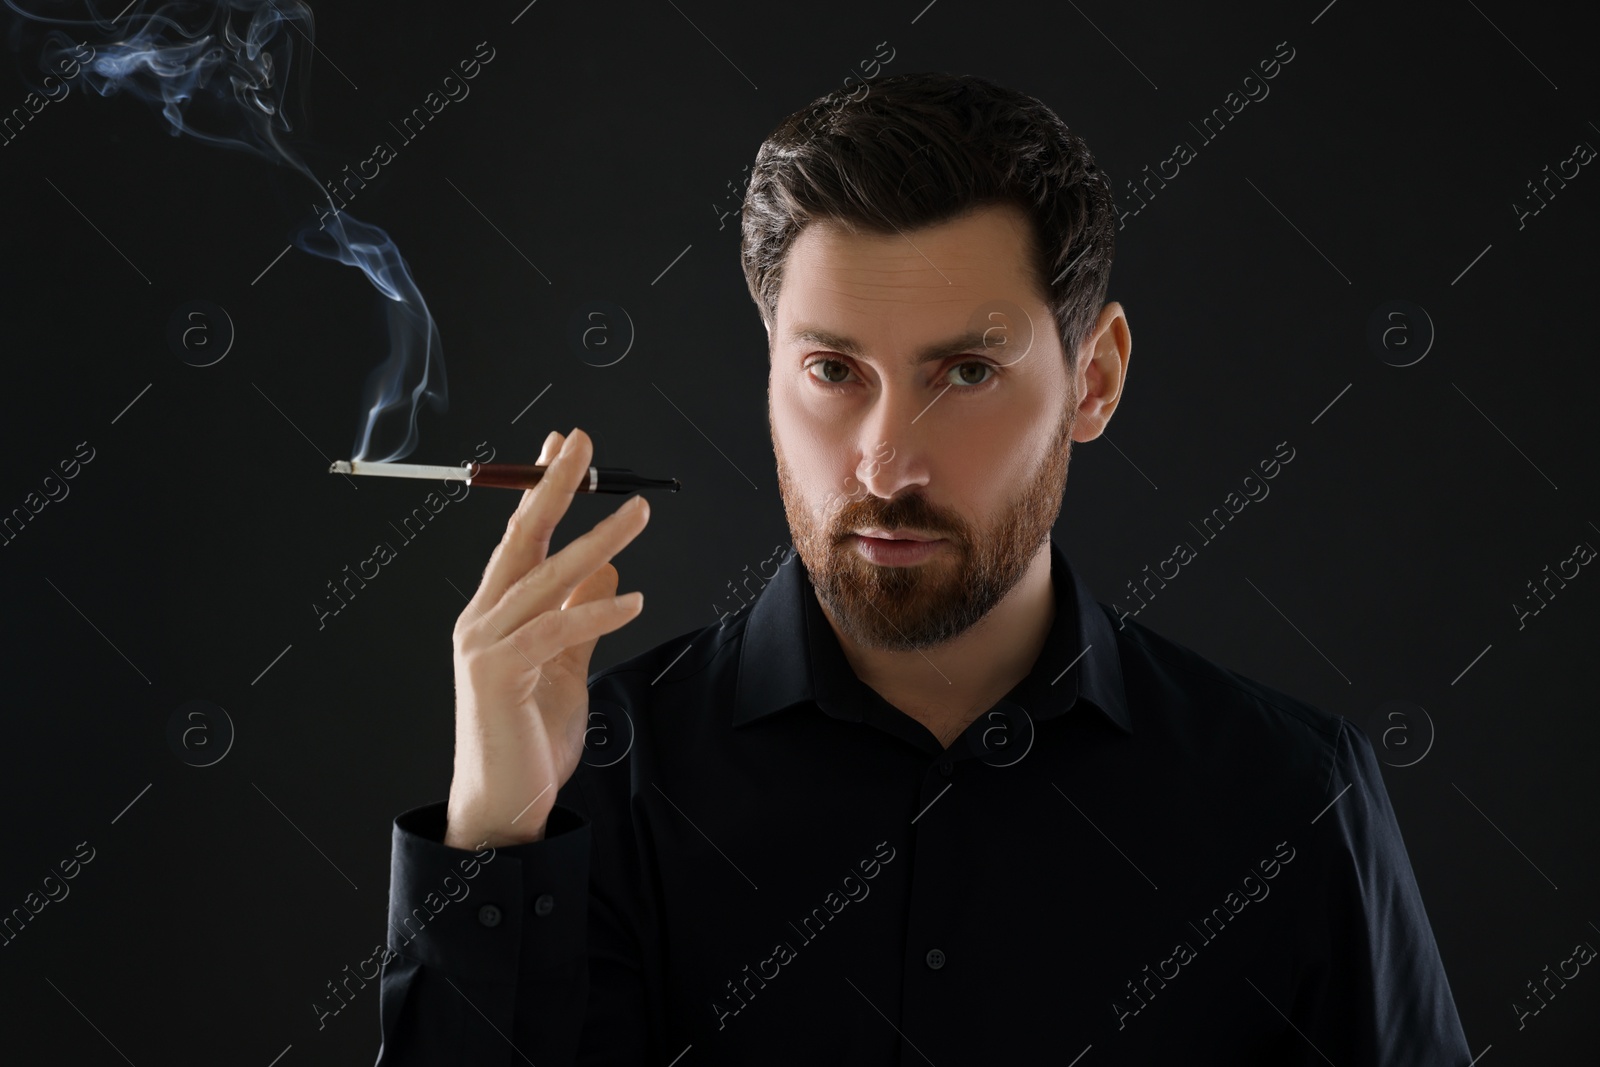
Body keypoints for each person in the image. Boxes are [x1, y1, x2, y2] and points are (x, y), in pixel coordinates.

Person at [374, 71, 1472, 1065]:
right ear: (769, 373)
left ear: (1093, 380)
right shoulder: (585, 790)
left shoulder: (1290, 796)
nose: (887, 461)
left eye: (965, 369)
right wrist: (494, 844)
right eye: (832, 369)